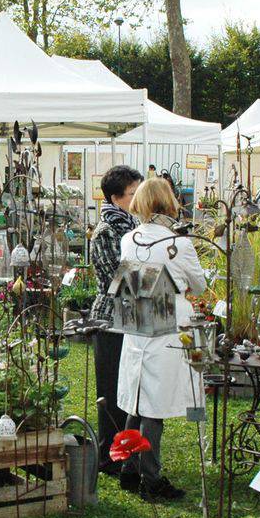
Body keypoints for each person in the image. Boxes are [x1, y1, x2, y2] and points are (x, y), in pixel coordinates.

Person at [115, 178, 207, 503]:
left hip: (137, 314)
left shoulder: (129, 239)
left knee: (138, 395)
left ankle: (128, 467)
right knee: (153, 403)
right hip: (167, 316)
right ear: (168, 202)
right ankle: (150, 479)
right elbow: (200, 284)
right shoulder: (179, 244)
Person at [88, 165, 143, 472]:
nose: (137, 200)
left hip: (134, 316)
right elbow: (116, 279)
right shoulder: (106, 232)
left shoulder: (134, 226)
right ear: (115, 197)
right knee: (110, 390)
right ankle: (108, 455)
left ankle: (126, 449)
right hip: (109, 318)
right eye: (132, 194)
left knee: (129, 388)